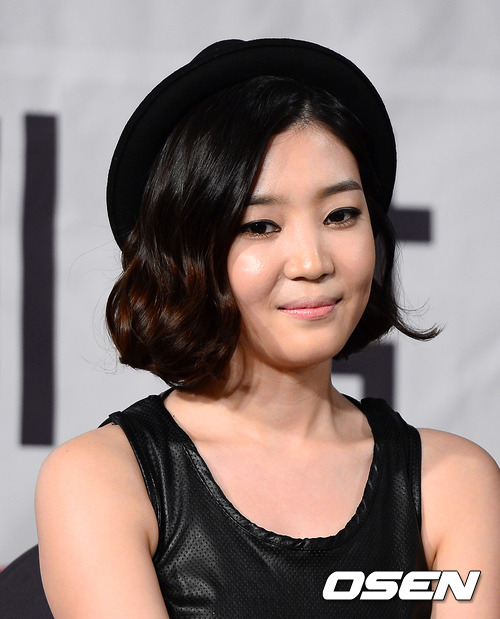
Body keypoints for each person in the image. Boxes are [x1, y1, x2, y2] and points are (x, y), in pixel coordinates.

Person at [35, 38, 499, 618]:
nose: (312, 261)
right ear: (185, 253)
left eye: (340, 215)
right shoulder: (102, 478)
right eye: (260, 225)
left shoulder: (452, 481)